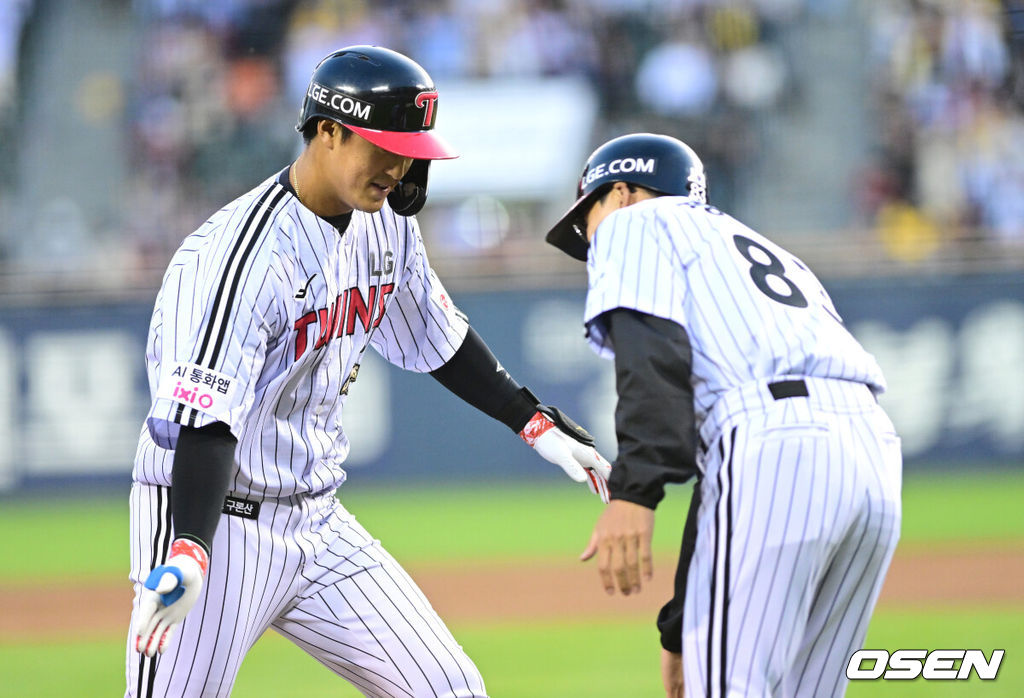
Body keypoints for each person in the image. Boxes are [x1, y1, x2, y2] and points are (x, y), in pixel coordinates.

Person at [126, 45, 611, 698]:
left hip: (317, 521)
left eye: (409, 147)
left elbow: (437, 337)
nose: (399, 165)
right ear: (328, 130)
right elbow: (204, 422)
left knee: (450, 688)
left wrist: (532, 422)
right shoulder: (240, 259)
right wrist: (187, 547)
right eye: (383, 145)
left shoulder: (385, 227)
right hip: (213, 520)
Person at [546, 133, 902, 697]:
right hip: (872, 454)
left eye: (586, 218)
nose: (590, 240)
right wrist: (680, 629)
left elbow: (652, 359)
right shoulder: (764, 252)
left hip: (777, 441)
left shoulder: (633, 222)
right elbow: (724, 473)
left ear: (621, 192)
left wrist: (634, 493)